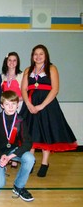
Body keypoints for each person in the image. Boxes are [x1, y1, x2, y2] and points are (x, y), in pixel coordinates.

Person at [20, 44, 77, 177]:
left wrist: (41, 106)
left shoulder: (52, 68)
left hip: (47, 106)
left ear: (46, 56)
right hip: (30, 106)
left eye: (41, 54)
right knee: (30, 134)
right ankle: (30, 161)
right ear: (32, 56)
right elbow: (23, 89)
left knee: (46, 133)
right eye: (35, 54)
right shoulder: (28, 70)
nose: (38, 56)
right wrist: (28, 104)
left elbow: (55, 89)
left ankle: (45, 163)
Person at [0, 90, 35, 202]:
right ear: (2, 106)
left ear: (17, 104)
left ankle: (18, 186)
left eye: (13, 104)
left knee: (30, 158)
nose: (10, 107)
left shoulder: (20, 120)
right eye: (7, 104)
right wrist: (1, 156)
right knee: (0, 184)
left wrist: (10, 157)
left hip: (12, 152)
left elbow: (27, 142)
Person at [1, 52, 23, 168]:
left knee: (17, 133)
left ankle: (15, 157)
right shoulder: (2, 76)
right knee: (7, 134)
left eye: (14, 60)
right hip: (5, 110)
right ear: (6, 61)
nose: (12, 62)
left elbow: (25, 93)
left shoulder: (21, 75)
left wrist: (13, 102)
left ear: (17, 62)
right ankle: (7, 155)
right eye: (10, 60)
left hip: (18, 107)